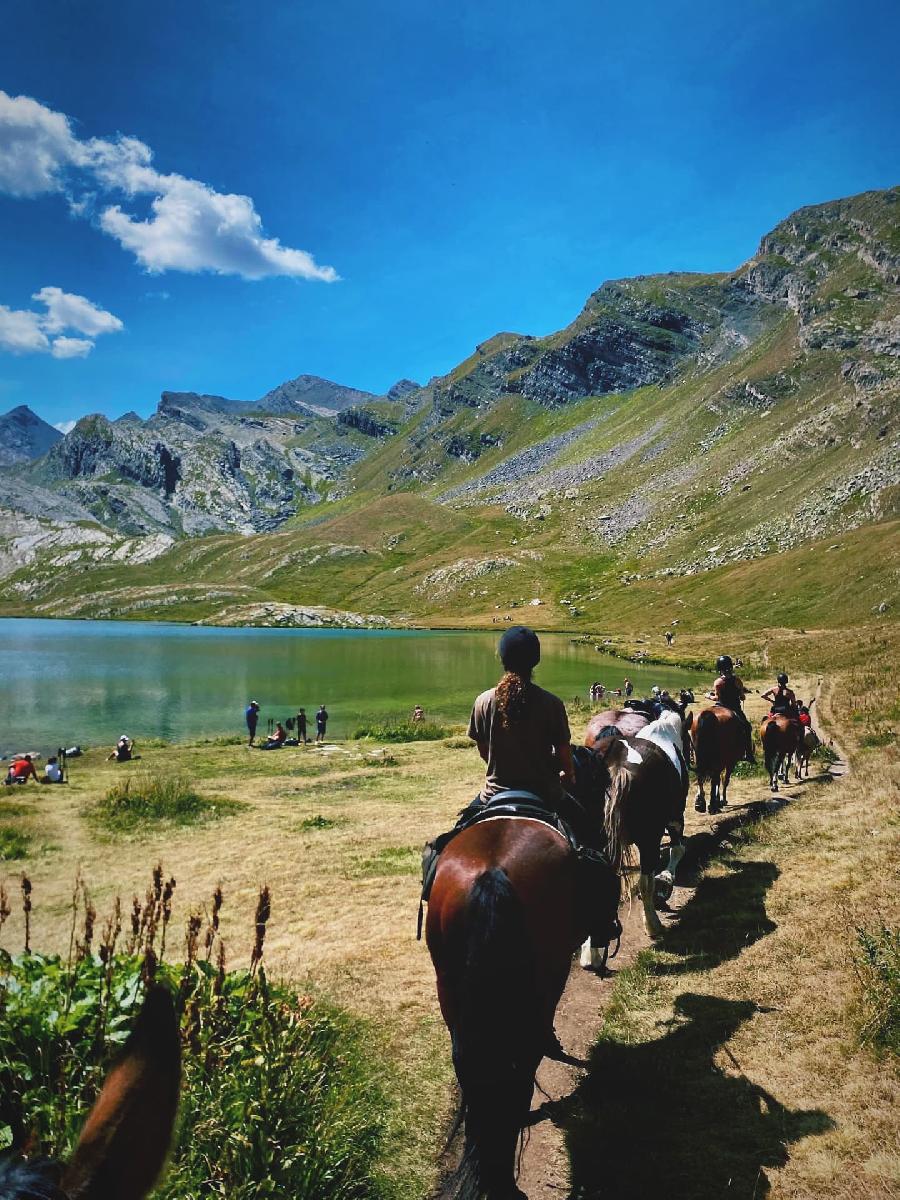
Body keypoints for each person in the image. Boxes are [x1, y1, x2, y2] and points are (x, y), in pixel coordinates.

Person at [467, 626, 574, 807]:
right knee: (585, 827)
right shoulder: (552, 703)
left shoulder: (483, 701)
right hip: (546, 793)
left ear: (502, 658)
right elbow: (564, 753)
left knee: (460, 828)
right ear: (535, 660)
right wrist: (569, 773)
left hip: (495, 793)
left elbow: (484, 751)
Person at [711, 655, 755, 762]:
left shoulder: (718, 682)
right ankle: (748, 754)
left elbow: (716, 697)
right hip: (734, 708)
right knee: (747, 727)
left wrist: (708, 696)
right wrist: (742, 696)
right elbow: (742, 696)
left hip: (720, 706)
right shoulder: (737, 681)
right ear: (730, 667)